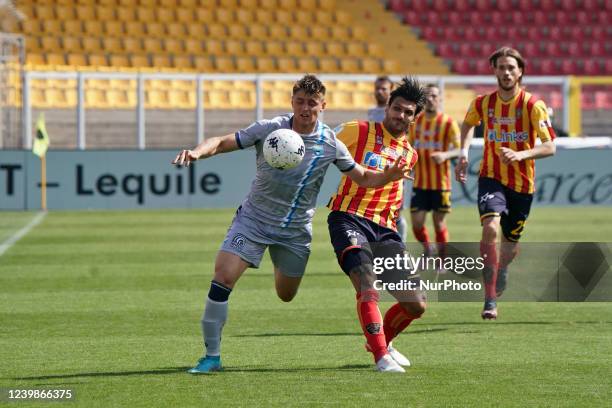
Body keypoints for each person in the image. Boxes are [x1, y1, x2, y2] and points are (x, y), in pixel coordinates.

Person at [173, 75, 413, 374]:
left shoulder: (330, 143)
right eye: (300, 101)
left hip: (295, 232)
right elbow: (222, 142)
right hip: (253, 222)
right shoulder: (269, 129)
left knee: (286, 294)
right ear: (292, 102)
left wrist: (387, 176)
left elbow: (363, 177)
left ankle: (276, 260)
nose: (305, 108)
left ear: (323, 106)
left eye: (312, 103)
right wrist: (197, 152)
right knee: (222, 278)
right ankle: (211, 356)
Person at [327, 77, 427, 373]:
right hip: (348, 217)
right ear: (387, 107)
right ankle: (381, 357)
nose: (401, 116)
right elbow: (320, 147)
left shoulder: (410, 154)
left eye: (409, 112)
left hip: (385, 229)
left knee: (416, 304)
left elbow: (394, 194)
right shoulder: (357, 130)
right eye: (397, 109)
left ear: (414, 117)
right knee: (367, 284)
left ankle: (381, 341)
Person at [455, 47, 556, 320]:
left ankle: (503, 267)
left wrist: (521, 154)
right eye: (501, 67)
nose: (506, 72)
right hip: (491, 177)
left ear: (520, 71)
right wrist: (463, 153)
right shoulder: (482, 103)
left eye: (511, 67)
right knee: (490, 227)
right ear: (494, 71)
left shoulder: (533, 105)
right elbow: (466, 126)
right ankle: (489, 300)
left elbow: (550, 147)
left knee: (509, 248)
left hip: (523, 185)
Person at [408, 84, 460, 261]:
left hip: (441, 184)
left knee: (439, 223)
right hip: (420, 182)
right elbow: (408, 146)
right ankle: (428, 249)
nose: (430, 99)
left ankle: (442, 260)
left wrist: (445, 154)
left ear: (440, 99)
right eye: (427, 96)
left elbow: (460, 149)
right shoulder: (416, 121)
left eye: (434, 96)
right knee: (416, 223)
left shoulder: (448, 122)